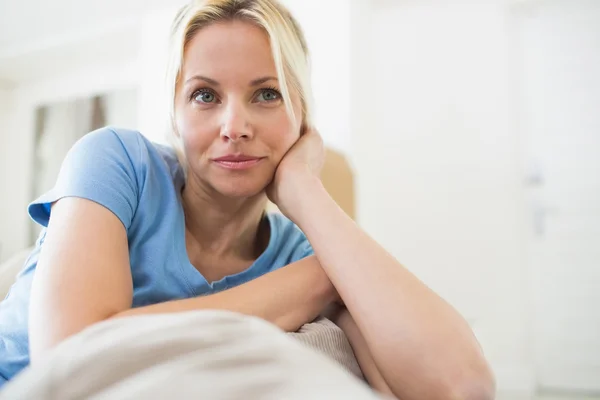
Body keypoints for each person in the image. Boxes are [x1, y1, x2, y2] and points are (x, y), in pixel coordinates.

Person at [0, 0, 495, 398]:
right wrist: (319, 280)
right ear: (175, 115)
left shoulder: (297, 251)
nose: (234, 127)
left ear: (302, 116)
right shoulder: (117, 160)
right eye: (204, 95)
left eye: (267, 94)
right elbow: (69, 357)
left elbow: (459, 387)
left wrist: (304, 191)